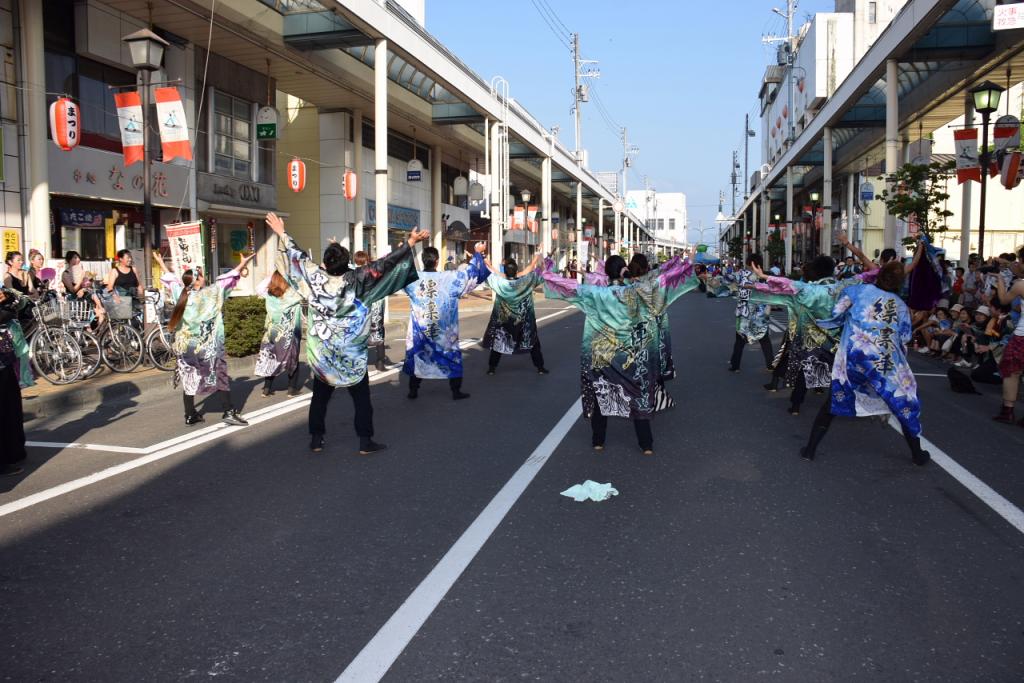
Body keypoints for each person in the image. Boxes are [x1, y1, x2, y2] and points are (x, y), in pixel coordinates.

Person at [265, 211, 427, 454]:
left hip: (324, 355)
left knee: (320, 398)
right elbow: (384, 264)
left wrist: (281, 232)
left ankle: (316, 440)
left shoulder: (313, 277)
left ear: (326, 263)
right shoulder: (359, 279)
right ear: (347, 262)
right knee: (361, 399)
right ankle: (364, 442)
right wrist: (410, 243)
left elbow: (296, 254)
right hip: (352, 355)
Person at [542, 254, 701, 454]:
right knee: (638, 395)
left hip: (604, 357)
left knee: (602, 395)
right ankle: (646, 445)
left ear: (606, 273)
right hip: (632, 356)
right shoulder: (639, 291)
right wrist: (686, 264)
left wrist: (546, 272)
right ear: (624, 270)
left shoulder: (595, 293)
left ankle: (598, 441)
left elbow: (568, 286)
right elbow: (662, 279)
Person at [801, 261, 929, 466]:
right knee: (901, 402)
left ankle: (810, 449)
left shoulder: (856, 292)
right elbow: (904, 336)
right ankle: (917, 454)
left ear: (879, 274)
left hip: (855, 356)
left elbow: (836, 315)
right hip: (885, 362)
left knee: (834, 400)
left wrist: (828, 324)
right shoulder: (900, 306)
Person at [749, 254, 852, 415]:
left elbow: (785, 286)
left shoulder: (809, 289)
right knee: (841, 372)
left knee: (806, 371)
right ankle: (843, 403)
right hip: (838, 338)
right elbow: (866, 278)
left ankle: (796, 405)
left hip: (812, 338)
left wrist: (762, 279)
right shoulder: (844, 287)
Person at [163, 252, 256, 427]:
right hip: (209, 346)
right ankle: (228, 411)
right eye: (200, 274)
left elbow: (172, 282)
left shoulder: (180, 294)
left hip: (186, 347)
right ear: (197, 281)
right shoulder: (210, 294)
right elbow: (227, 281)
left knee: (189, 378)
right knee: (219, 375)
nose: (204, 276)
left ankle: (190, 414)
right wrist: (241, 264)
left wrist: (161, 263)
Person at [403, 243, 487, 400]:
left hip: (422, 332)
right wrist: (477, 254)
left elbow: (396, 274)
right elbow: (471, 273)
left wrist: (404, 248)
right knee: (450, 356)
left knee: (420, 357)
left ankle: (413, 391)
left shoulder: (413, 279)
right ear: (436, 261)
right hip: (444, 332)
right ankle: (456, 391)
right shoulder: (450, 278)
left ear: (423, 260)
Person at [481, 252, 548, 375]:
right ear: (517, 270)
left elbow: (488, 273)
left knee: (499, 343)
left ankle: (491, 368)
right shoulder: (526, 281)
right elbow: (542, 272)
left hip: (504, 320)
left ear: (504, 271)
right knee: (533, 342)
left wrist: (487, 262)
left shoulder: (499, 282)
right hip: (524, 320)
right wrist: (538, 259)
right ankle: (540, 368)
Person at [0, 286, 33, 476]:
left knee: (10, 404)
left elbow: (21, 305)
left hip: (4, 355)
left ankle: (13, 453)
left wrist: (10, 300)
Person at [255, 270, 304, 398]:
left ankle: (266, 389)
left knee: (271, 358)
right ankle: (291, 389)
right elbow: (305, 289)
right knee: (292, 359)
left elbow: (259, 288)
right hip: (289, 332)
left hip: (272, 332)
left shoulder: (269, 295)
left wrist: (271, 275)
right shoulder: (292, 295)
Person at [629, 253, 676, 381]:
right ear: (646, 266)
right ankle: (660, 374)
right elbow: (667, 268)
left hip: (637, 327)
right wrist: (682, 258)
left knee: (639, 357)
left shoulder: (627, 285)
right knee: (657, 352)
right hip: (656, 323)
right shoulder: (655, 279)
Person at [991, 254, 1024, 426]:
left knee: (1012, 373)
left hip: (1022, 336)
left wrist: (1001, 279)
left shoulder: (1020, 285)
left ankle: (1008, 411)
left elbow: (1003, 299)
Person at [727, 253, 774, 372]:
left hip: (744, 313)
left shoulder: (740, 274)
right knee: (764, 339)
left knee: (740, 340)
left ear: (748, 263)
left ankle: (735, 365)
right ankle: (770, 365)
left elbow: (727, 278)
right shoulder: (765, 276)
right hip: (760, 313)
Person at [353, 251, 388, 371]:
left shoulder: (352, 272)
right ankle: (380, 363)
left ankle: (358, 363)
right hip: (375, 304)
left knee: (359, 332)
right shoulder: (373, 271)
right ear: (367, 260)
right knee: (378, 331)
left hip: (359, 306)